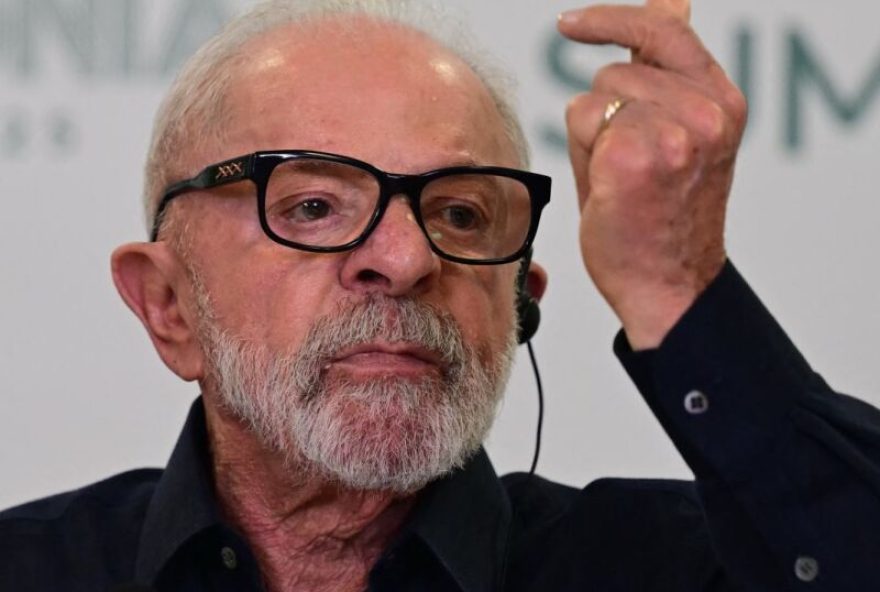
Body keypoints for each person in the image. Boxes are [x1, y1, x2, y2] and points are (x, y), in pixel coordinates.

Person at [1, 0, 878, 590]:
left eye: (459, 213)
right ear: (168, 305)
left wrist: (677, 286)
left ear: (518, 303)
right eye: (312, 206)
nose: (407, 257)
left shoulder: (673, 564)